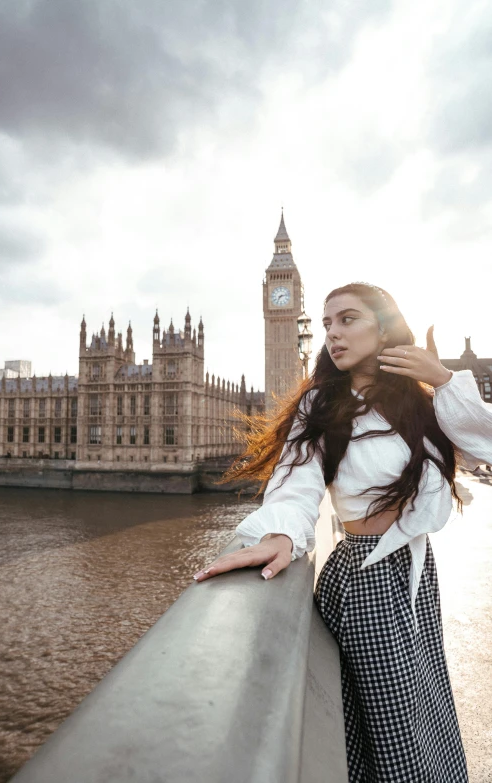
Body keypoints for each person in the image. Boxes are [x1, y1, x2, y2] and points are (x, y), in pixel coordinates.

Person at [193, 282, 492, 782]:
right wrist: (280, 536)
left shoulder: (421, 402)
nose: (332, 333)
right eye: (328, 323)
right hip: (366, 581)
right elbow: (295, 482)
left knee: (428, 713)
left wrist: (443, 379)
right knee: (398, 741)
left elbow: (485, 442)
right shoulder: (322, 406)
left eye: (347, 319)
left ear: (384, 325)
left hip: (415, 573)